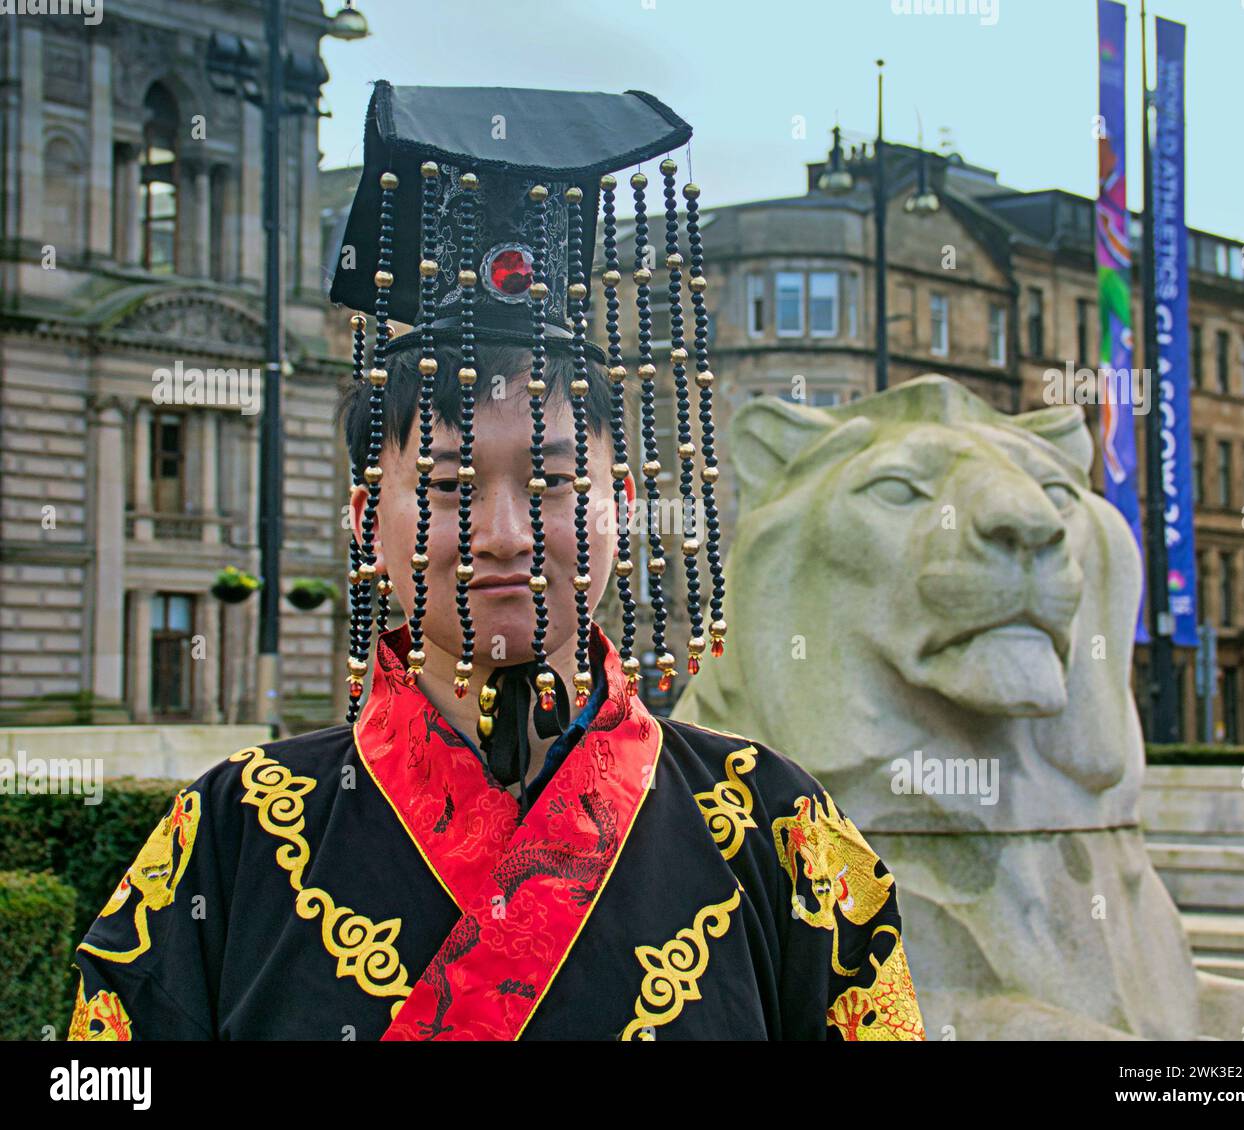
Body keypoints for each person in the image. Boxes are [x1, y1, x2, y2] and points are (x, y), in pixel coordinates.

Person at [67, 83, 925, 1042]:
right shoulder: (230, 834)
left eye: (554, 482)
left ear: (624, 506)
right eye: (445, 484)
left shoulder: (775, 833)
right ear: (364, 519)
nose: (507, 531)